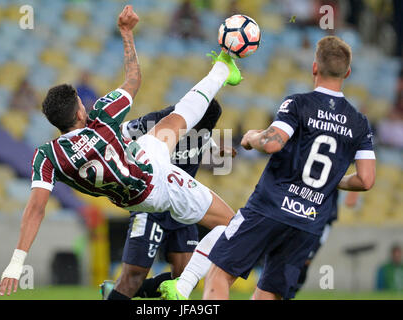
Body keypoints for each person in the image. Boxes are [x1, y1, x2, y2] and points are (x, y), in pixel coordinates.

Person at [0, 5, 243, 296]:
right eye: (80, 103)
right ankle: (183, 285)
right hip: (156, 185)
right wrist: (126, 32)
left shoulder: (47, 157)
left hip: (139, 176)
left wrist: (16, 263)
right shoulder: (100, 118)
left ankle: (223, 68)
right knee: (234, 223)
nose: (84, 105)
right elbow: (134, 80)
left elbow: (35, 210)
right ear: (78, 112)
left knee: (174, 120)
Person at [160, 36, 376, 300]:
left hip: (269, 207)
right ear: (348, 73)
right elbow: (366, 180)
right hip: (308, 221)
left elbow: (273, 143)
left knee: (220, 272)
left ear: (314, 68)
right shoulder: (360, 123)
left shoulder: (298, 104)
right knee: (269, 294)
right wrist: (335, 180)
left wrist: (251, 137)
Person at [100, 99, 236, 300]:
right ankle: (125, 289)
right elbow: (116, 133)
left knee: (184, 278)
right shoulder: (156, 122)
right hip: (151, 205)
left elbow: (206, 139)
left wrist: (218, 151)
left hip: (182, 207)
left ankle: (122, 291)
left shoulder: (204, 130)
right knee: (134, 275)